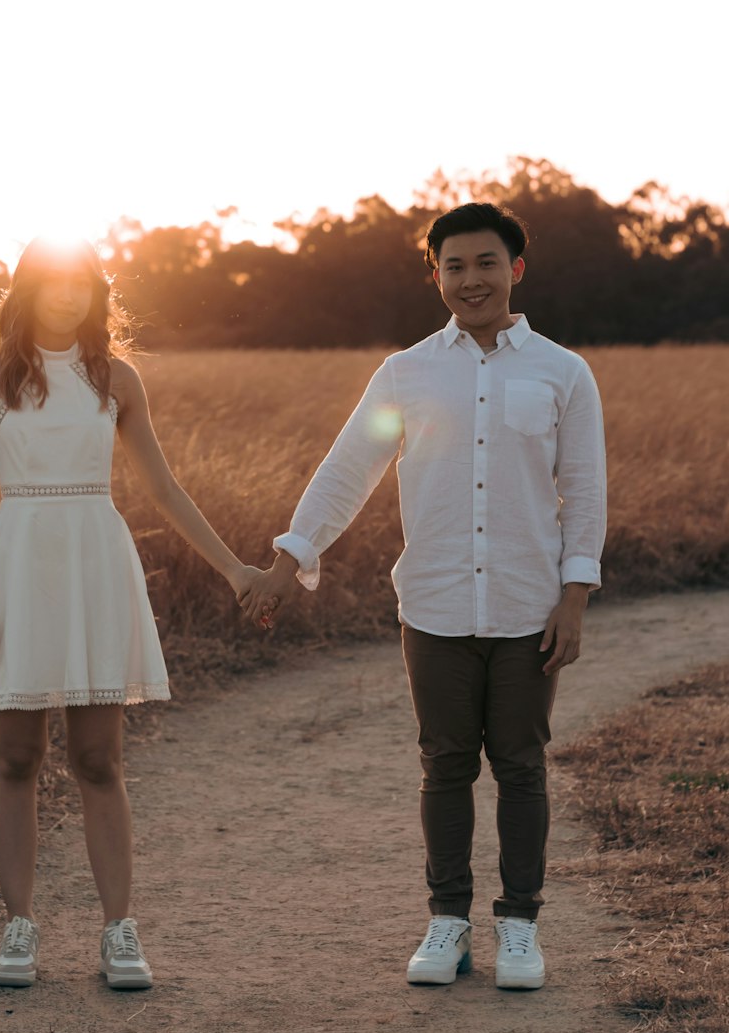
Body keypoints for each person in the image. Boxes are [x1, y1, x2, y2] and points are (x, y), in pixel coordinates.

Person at [239, 202, 606, 991]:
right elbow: (349, 469)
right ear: (434, 274)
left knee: (520, 765)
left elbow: (584, 488)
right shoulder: (407, 371)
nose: (470, 279)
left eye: (485, 263)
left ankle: (519, 928)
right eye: (453, 266)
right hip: (434, 605)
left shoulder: (562, 371)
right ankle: (447, 921)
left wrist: (575, 595)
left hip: (527, 607)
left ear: (516, 268)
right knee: (443, 763)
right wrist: (288, 559)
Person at [0, 237, 262, 990]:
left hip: (95, 558)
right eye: (52, 283)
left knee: (99, 760)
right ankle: (19, 927)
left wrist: (234, 568)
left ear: (96, 292)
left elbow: (164, 486)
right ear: (26, 289)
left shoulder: (115, 378)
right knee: (17, 758)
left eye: (81, 285)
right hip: (16, 563)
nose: (67, 296)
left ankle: (118, 931)